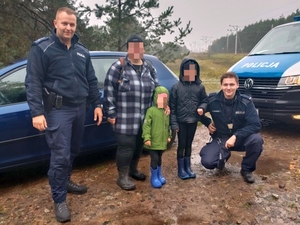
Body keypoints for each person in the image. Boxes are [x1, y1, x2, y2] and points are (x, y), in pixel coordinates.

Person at [25, 7, 103, 223]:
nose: (68, 27)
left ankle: (66, 181)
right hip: (58, 110)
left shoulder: (82, 51)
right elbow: (33, 81)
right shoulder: (42, 48)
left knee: (74, 149)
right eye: (64, 23)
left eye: (72, 24)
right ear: (55, 23)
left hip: (80, 109)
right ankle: (59, 199)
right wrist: (37, 112)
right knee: (60, 156)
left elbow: (91, 80)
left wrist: (97, 104)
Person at [104, 34, 169, 191]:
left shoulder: (149, 67)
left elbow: (158, 90)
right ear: (128, 49)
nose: (136, 50)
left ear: (143, 48)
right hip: (125, 117)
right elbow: (109, 91)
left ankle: (133, 170)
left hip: (145, 118)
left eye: (139, 47)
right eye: (133, 47)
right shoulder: (118, 67)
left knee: (139, 146)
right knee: (126, 146)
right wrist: (111, 113)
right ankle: (122, 176)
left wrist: (164, 106)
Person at [199, 72, 264, 184]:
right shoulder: (213, 100)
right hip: (221, 138)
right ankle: (223, 156)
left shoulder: (246, 102)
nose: (228, 88)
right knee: (208, 162)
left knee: (256, 140)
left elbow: (255, 125)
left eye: (232, 84)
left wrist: (236, 136)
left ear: (237, 85)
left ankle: (246, 169)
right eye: (225, 85)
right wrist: (208, 123)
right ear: (221, 86)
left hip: (241, 138)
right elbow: (198, 111)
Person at [170, 58, 211, 180]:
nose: (191, 74)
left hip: (193, 120)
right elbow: (172, 108)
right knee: (181, 145)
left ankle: (188, 167)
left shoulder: (200, 87)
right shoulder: (176, 87)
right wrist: (174, 124)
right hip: (181, 121)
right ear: (183, 71)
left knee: (189, 144)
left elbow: (205, 101)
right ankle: (181, 169)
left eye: (194, 71)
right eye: (188, 71)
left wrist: (202, 108)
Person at [142, 86, 171, 188]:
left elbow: (167, 126)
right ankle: (154, 177)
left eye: (165, 98)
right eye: (161, 98)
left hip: (161, 142)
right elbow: (146, 125)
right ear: (155, 98)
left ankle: (159, 174)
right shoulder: (151, 111)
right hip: (153, 142)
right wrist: (147, 137)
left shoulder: (166, 111)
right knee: (154, 158)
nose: (163, 100)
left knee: (159, 158)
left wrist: (168, 135)